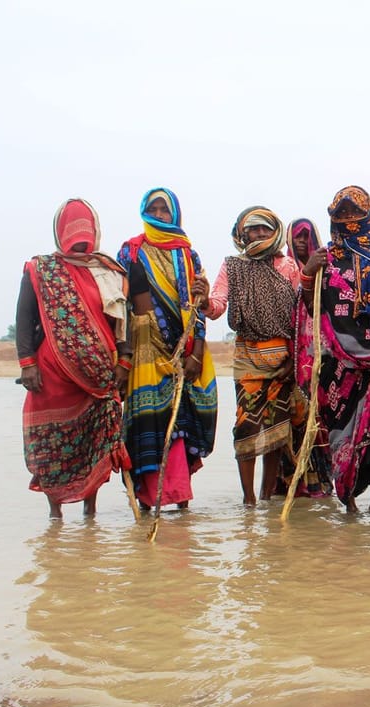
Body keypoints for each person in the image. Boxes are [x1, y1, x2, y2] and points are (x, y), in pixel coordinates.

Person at [293, 186, 370, 513]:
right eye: (341, 214)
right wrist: (308, 274)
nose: (347, 220)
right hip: (338, 365)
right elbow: (312, 308)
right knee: (342, 437)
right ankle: (349, 505)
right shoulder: (325, 257)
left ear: (367, 214)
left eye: (352, 213)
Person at [17, 199, 131, 518]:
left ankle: (90, 511)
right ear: (59, 232)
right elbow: (24, 319)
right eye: (72, 227)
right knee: (50, 445)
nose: (79, 234)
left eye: (85, 227)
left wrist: (124, 362)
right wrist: (27, 364)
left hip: (98, 377)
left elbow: (123, 321)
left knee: (93, 442)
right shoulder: (40, 269)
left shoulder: (109, 272)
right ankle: (55, 513)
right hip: (50, 376)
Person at [117, 188, 218, 511]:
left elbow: (198, 309)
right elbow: (120, 305)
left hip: (182, 349)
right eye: (154, 208)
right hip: (145, 349)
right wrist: (123, 355)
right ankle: (149, 501)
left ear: (175, 214)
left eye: (165, 209)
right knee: (147, 422)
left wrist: (196, 353)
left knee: (180, 426)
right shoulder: (131, 252)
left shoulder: (188, 255)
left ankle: (180, 498)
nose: (160, 215)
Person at [202, 207, 300, 505]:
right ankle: (248, 500)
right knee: (246, 424)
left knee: (276, 428)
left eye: (264, 229)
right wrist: (203, 300)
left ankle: (266, 494)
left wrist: (294, 360)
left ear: (275, 233)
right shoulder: (232, 266)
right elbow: (218, 304)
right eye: (253, 230)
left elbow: (299, 317)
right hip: (246, 355)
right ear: (242, 234)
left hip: (282, 356)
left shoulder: (289, 267)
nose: (258, 234)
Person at [276, 218, 333, 499]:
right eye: (296, 236)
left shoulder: (326, 268)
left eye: (306, 236)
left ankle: (317, 482)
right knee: (293, 417)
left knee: (318, 416)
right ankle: (288, 483)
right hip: (292, 352)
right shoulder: (284, 268)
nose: (300, 241)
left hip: (319, 353)